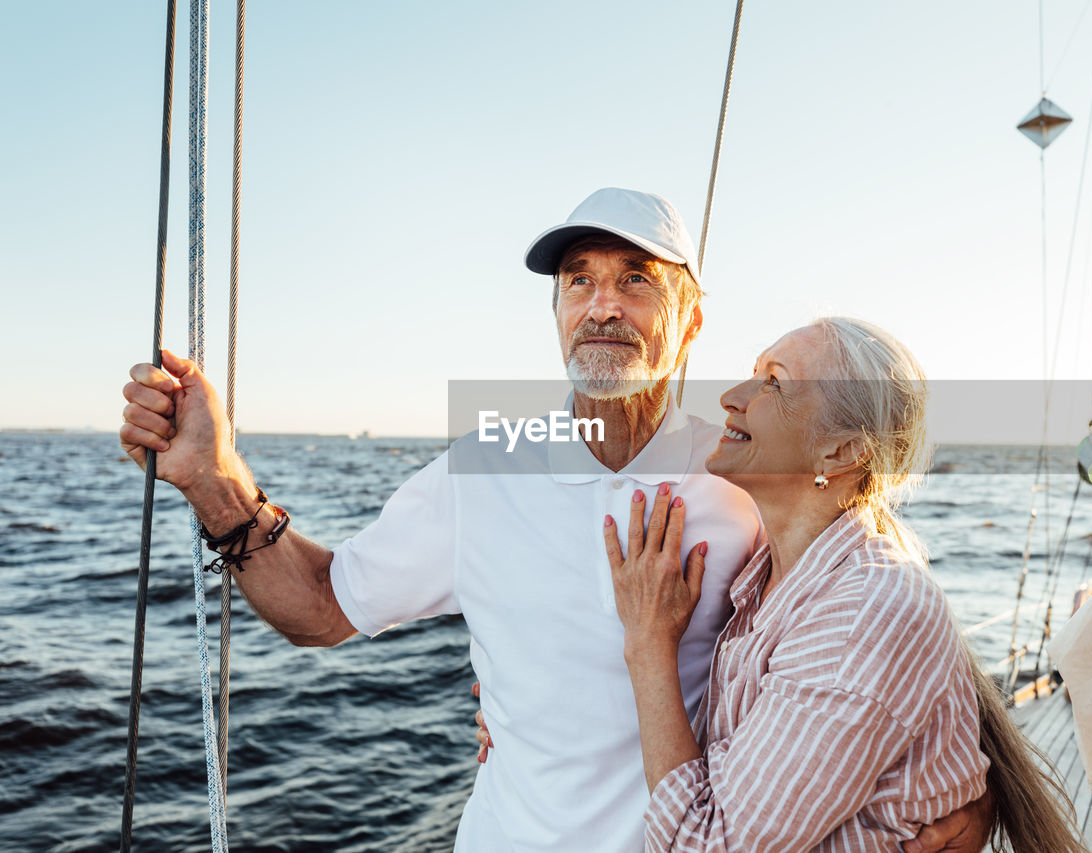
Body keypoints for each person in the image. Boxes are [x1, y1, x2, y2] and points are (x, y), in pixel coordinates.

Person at [120, 188, 992, 852]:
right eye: (580, 280)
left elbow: (881, 619)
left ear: (689, 323)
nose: (602, 304)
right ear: (557, 313)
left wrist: (974, 795)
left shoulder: (742, 471)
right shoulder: (481, 469)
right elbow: (319, 603)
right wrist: (212, 478)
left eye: (636, 281)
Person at [600, 317, 1088, 852]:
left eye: (775, 383)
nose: (732, 397)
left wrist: (648, 641)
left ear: (840, 453)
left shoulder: (863, 609)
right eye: (753, 373)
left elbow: (706, 845)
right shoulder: (765, 575)